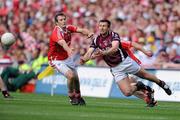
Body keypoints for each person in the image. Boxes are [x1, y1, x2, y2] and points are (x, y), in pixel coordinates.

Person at [80, 19, 172, 107]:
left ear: (108, 27)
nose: (101, 28)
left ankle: (161, 84)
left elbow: (115, 48)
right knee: (127, 92)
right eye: (100, 26)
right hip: (116, 69)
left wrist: (145, 51)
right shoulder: (96, 40)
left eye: (104, 26)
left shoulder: (114, 36)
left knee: (146, 75)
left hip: (125, 62)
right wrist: (83, 60)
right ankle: (143, 89)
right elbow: (89, 53)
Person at [48, 13, 93, 105]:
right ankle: (71, 97)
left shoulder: (68, 28)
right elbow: (63, 43)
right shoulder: (56, 32)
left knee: (76, 78)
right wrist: (68, 50)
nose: (63, 21)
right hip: (56, 59)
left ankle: (79, 97)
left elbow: (80, 30)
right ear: (56, 23)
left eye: (64, 19)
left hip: (66, 57)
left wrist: (88, 32)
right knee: (70, 75)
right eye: (60, 20)